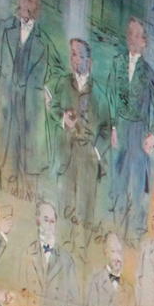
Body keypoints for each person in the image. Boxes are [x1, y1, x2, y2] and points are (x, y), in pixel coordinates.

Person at [0, 0, 58, 197]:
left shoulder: (44, 42)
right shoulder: (4, 28)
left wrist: (47, 91)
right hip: (7, 104)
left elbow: (58, 71)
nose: (24, 3)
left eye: (29, 0)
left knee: (29, 168)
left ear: (37, 6)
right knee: (6, 160)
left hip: (31, 110)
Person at [103, 17, 154, 240]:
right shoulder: (118, 63)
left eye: (137, 35)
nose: (132, 38)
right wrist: (112, 126)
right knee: (117, 181)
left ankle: (134, 236)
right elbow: (110, 94)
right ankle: (116, 231)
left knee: (136, 186)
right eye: (129, 33)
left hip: (138, 132)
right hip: (120, 128)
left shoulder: (148, 73)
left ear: (144, 41)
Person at [55, 39, 103, 252]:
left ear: (90, 62)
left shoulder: (99, 94)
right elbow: (51, 106)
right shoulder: (63, 83)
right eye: (73, 55)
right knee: (66, 199)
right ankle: (64, 245)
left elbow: (108, 126)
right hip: (66, 152)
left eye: (81, 56)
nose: (76, 60)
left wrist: (96, 151)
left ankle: (83, 249)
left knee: (85, 206)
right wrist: (62, 118)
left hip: (88, 157)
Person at [84, 232, 128, 306]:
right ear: (106, 253)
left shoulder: (128, 289)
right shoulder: (96, 282)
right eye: (113, 251)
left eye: (119, 252)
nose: (117, 257)